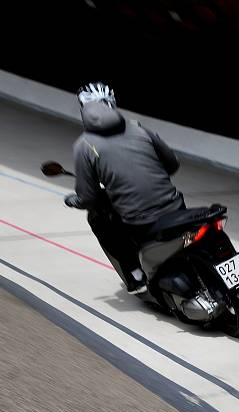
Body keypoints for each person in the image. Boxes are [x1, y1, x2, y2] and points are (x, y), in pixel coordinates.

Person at [63, 82, 185, 293]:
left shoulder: (84, 145)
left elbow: (89, 197)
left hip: (140, 220)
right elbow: (172, 165)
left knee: (97, 218)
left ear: (85, 109)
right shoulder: (138, 128)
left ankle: (135, 273)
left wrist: (77, 200)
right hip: (176, 206)